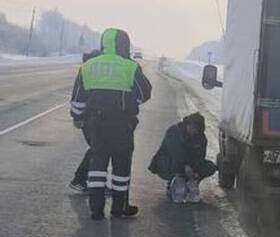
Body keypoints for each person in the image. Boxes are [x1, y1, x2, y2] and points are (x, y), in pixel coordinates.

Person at [69, 28, 152, 220]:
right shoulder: (129, 66)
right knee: (121, 167)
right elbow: (145, 93)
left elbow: (78, 98)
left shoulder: (89, 66)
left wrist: (77, 117)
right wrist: (131, 102)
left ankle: (96, 209)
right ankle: (119, 208)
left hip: (96, 124)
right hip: (123, 124)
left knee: (97, 165)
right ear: (124, 44)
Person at [148, 112, 217, 203]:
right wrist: (185, 165)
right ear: (187, 125)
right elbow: (176, 152)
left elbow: (200, 156)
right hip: (169, 162)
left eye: (196, 129)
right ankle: (174, 182)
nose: (194, 131)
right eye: (192, 127)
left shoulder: (201, 139)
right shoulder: (174, 131)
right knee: (174, 165)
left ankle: (191, 183)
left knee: (210, 166)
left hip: (190, 165)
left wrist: (196, 171)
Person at [69, 48, 100, 192]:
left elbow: (77, 97)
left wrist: (77, 117)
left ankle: (82, 180)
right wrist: (77, 117)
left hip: (89, 117)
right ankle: (80, 180)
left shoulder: (88, 71)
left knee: (97, 148)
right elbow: (78, 97)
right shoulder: (90, 72)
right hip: (90, 117)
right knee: (98, 148)